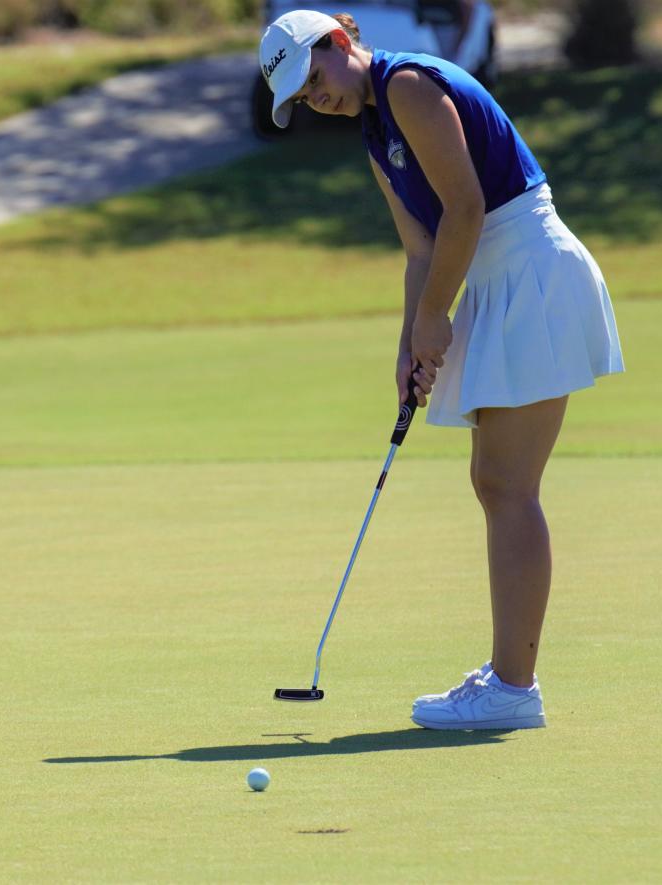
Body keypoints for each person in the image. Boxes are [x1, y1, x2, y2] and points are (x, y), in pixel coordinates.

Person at [259, 10, 624, 730]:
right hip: (497, 279)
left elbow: (466, 209)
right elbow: (422, 248)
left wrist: (435, 317)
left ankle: (514, 690)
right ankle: (509, 679)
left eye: (314, 78)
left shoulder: (409, 87)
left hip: (530, 271)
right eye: (302, 98)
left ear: (339, 42)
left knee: (507, 484)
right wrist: (408, 343)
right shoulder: (375, 128)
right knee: (497, 483)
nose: (317, 97)